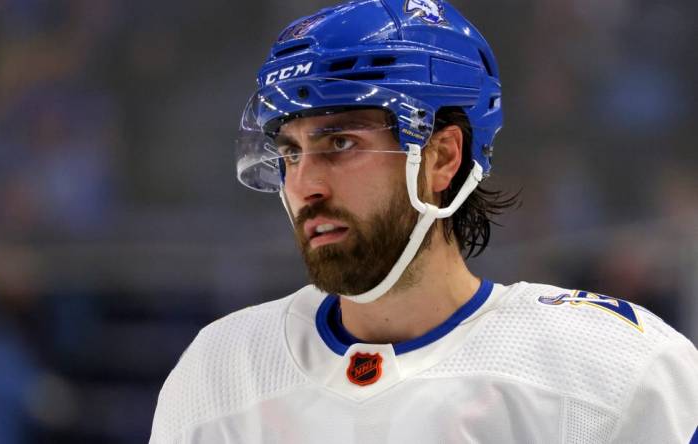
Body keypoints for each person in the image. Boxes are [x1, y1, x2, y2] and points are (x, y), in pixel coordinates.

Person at [150, 0, 698, 442]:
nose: (303, 185)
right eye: (291, 152)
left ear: (441, 158)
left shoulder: (612, 371)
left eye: (340, 143)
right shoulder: (220, 371)